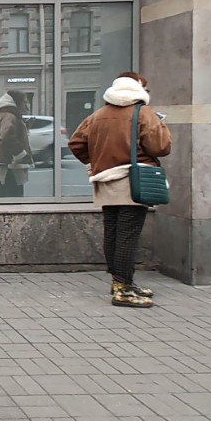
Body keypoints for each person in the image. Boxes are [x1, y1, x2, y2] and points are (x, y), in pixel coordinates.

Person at [68, 71, 172, 308]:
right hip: (132, 181)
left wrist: (95, 161)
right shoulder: (143, 113)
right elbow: (161, 147)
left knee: (113, 233)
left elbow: (76, 143)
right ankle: (123, 288)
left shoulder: (97, 115)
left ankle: (120, 282)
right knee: (127, 236)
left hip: (105, 181)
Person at [0, 89, 33, 198]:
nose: (26, 106)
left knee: (4, 194)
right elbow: (7, 137)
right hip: (11, 165)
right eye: (24, 102)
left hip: (5, 164)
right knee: (13, 198)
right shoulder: (9, 116)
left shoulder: (3, 115)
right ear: (15, 103)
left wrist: (25, 127)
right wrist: (20, 154)